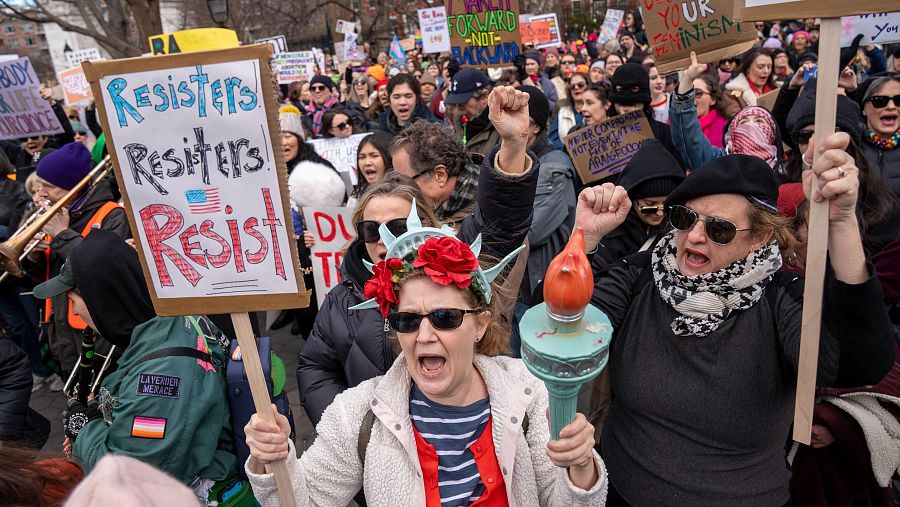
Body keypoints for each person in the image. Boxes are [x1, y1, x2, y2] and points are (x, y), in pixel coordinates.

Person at [248, 109, 608, 505]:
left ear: (481, 323)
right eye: (405, 319)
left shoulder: (530, 397)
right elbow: (300, 501)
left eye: (445, 317)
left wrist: (580, 468)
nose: (423, 335)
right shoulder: (356, 416)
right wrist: (273, 463)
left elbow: (571, 501)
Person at [574, 134, 894, 505]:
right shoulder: (642, 274)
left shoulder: (780, 296)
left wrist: (841, 224)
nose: (694, 236)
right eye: (684, 218)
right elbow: (566, 329)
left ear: (759, 237)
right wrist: (586, 239)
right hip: (624, 492)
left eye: (719, 229)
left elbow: (857, 363)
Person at [297, 86, 540, 429]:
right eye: (371, 230)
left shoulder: (453, 273)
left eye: (397, 225)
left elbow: (500, 222)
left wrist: (514, 146)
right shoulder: (341, 299)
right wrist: (354, 429)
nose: (383, 238)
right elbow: (315, 369)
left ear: (423, 225)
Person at [35, 231, 241, 497]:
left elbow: (130, 476)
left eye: (74, 301)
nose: (73, 312)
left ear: (102, 299)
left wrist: (85, 430)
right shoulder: (165, 320)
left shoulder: (162, 374)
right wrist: (99, 412)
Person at [22, 143, 129, 379]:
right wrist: (33, 257)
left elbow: (104, 272)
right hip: (59, 329)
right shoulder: (52, 214)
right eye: (39, 184)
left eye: (49, 186)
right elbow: (50, 275)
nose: (41, 193)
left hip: (97, 336)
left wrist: (63, 235)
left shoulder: (112, 215)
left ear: (73, 187)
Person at [671, 53, 784, 171]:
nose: (750, 125)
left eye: (759, 120)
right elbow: (690, 140)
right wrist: (687, 79)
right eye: (743, 121)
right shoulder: (719, 163)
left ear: (773, 132)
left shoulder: (786, 172)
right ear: (731, 134)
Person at [588, 140, 684, 273]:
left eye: (666, 205)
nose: (660, 213)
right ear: (632, 200)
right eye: (650, 205)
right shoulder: (610, 234)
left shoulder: (681, 232)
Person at [608, 63, 687, 169]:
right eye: (620, 90)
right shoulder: (599, 140)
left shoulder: (667, 135)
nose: (627, 98)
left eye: (634, 89)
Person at [444, 67, 502, 158]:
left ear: (484, 96)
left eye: (463, 102)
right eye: (456, 102)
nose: (459, 108)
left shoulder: (502, 128)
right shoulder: (459, 122)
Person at [858, 76, 900, 198]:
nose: (891, 106)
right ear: (864, 109)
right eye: (880, 100)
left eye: (898, 100)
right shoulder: (852, 146)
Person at [377, 73, 438, 139]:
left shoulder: (434, 128)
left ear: (416, 98)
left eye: (408, 96)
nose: (402, 102)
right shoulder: (381, 124)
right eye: (396, 97)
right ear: (389, 99)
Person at [349, 132, 393, 207]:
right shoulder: (355, 198)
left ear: (388, 158)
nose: (367, 162)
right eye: (362, 157)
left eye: (374, 156)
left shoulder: (403, 194)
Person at [549, 72, 588, 150]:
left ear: (588, 86)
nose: (576, 88)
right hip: (566, 157)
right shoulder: (562, 112)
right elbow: (552, 140)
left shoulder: (596, 110)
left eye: (580, 85)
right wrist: (568, 148)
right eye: (572, 86)